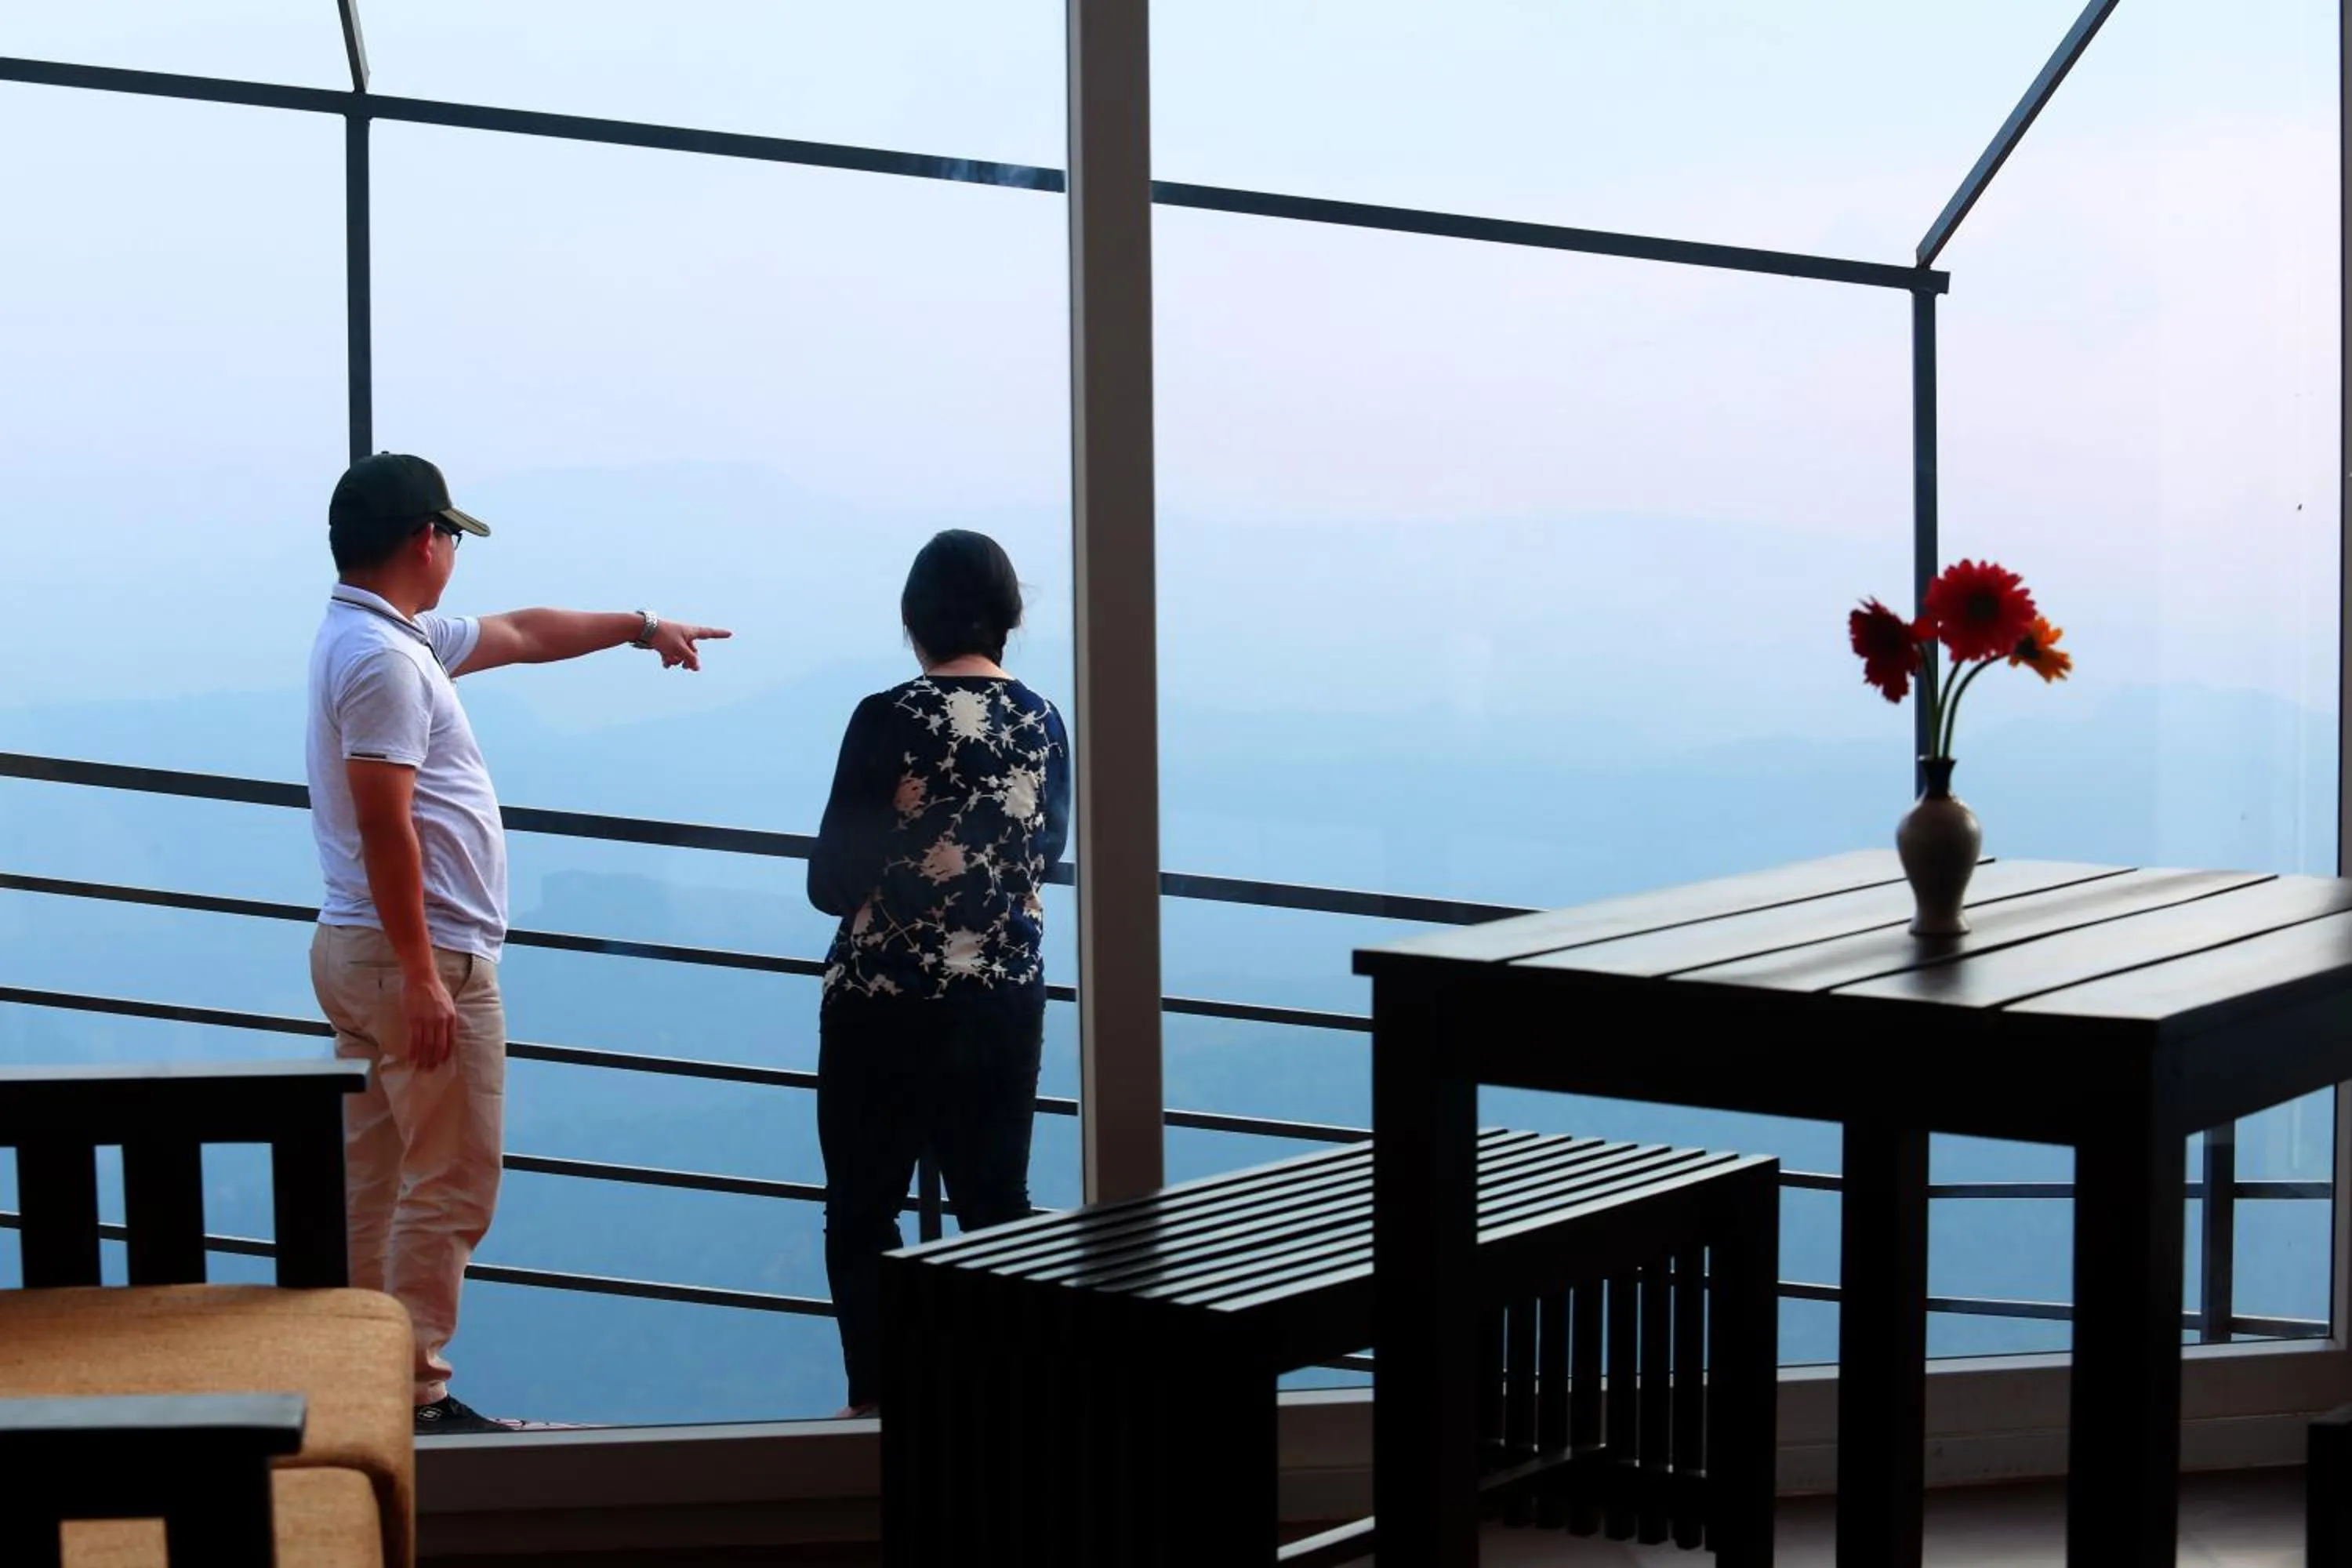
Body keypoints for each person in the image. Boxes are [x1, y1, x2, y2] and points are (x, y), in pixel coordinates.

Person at [306, 452, 730, 1435]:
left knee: (373, 1177)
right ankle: (412, 1399)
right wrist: (422, 974)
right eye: (451, 533)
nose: (454, 550)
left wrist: (639, 627)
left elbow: (520, 632)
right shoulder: (381, 663)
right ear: (427, 540)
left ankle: (354, 1380)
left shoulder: (380, 635)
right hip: (416, 957)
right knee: (451, 1179)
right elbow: (385, 824)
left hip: (362, 950)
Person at [808, 529, 1071, 1417]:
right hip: (1001, 1000)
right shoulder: (1042, 720)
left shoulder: (889, 716)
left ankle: (877, 1408)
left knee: (863, 1213)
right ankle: (1003, 1408)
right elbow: (1046, 849)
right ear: (1009, 620)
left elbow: (831, 882)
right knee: (996, 1209)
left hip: (884, 1001)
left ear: (914, 620)